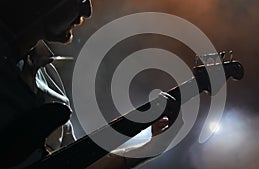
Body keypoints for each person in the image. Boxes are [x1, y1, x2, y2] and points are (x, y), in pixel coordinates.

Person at [0, 0, 183, 168]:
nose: (87, 11)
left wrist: (151, 147)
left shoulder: (48, 75)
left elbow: (73, 163)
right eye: (80, 0)